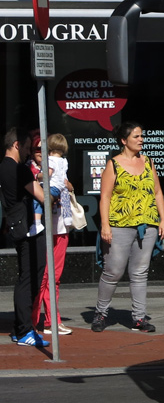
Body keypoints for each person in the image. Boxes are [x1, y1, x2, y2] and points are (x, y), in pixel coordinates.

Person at [94, 122, 164, 333]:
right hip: (119, 225)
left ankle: (139, 318)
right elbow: (105, 197)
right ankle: (101, 313)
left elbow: (157, 192)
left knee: (139, 273)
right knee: (113, 271)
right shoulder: (114, 165)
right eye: (136, 136)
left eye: (142, 136)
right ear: (124, 140)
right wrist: (105, 225)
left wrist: (163, 219)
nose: (141, 139)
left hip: (147, 225)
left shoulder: (149, 162)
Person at [1, 128, 47, 346]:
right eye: (28, 146)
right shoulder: (20, 170)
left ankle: (21, 329)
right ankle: (24, 330)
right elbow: (42, 196)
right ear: (17, 145)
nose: (30, 151)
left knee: (25, 276)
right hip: (29, 228)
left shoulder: (2, 168)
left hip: (14, 226)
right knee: (30, 279)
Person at [33, 133, 75, 334]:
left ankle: (52, 320)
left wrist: (66, 186)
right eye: (38, 149)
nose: (42, 154)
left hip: (60, 227)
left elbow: (69, 186)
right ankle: (32, 320)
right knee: (42, 277)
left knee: (54, 277)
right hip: (43, 229)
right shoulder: (32, 170)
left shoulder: (57, 165)